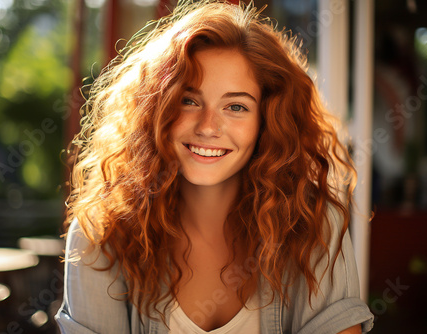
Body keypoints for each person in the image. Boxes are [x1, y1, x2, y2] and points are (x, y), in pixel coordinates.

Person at [55, 0, 375, 333]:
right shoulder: (101, 235)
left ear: (267, 121)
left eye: (236, 106)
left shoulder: (313, 224)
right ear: (156, 110)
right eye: (189, 101)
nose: (208, 126)